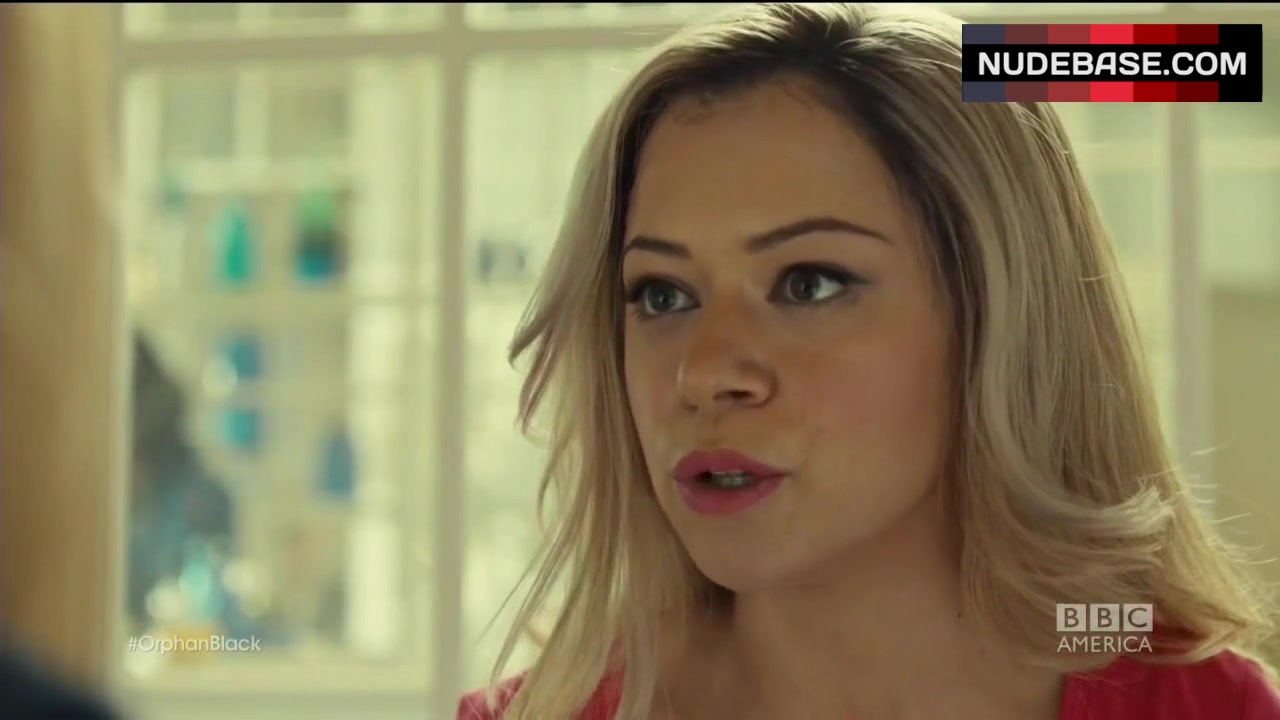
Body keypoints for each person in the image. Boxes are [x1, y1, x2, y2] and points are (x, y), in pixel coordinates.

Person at [457, 3, 1280, 719]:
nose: (702, 374)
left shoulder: (1202, 704)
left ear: (998, 315)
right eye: (663, 295)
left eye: (808, 283)